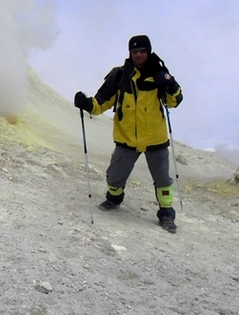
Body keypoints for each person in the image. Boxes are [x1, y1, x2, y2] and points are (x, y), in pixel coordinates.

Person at [74, 34, 183, 233]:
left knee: (163, 180)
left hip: (155, 139)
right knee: (114, 177)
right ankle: (114, 198)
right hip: (127, 139)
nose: (139, 55)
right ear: (130, 54)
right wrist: (86, 103)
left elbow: (174, 101)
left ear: (148, 52)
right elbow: (101, 103)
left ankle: (166, 213)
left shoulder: (160, 74)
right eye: (135, 52)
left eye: (142, 51)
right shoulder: (119, 76)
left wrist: (170, 83)